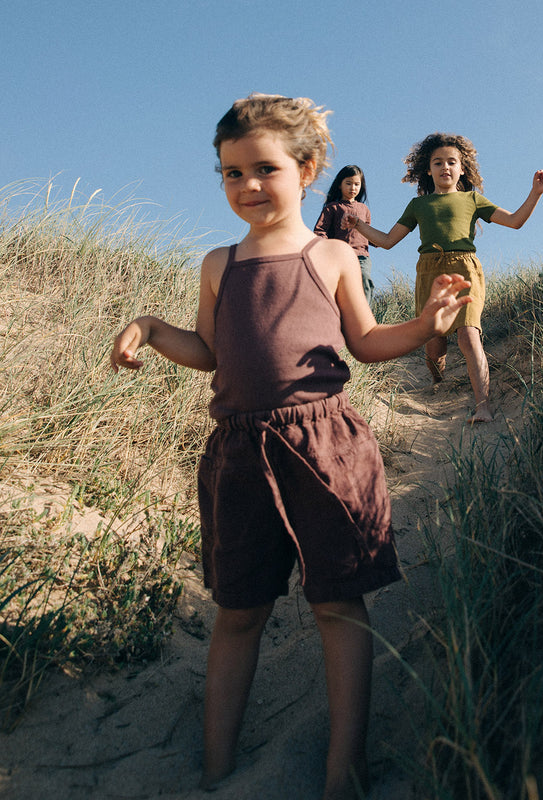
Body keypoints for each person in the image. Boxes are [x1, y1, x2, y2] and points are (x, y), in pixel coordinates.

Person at [110, 94, 472, 800]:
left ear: (306, 170)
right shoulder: (219, 263)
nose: (246, 185)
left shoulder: (331, 254)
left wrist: (427, 323)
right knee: (238, 610)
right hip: (238, 453)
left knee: (338, 603)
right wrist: (153, 328)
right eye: (230, 172)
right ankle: (217, 769)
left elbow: (367, 344)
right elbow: (212, 352)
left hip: (324, 445)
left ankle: (346, 768)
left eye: (263, 169)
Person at [346, 133, 543, 423]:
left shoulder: (472, 199)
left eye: (452, 162)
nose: (445, 167)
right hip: (430, 271)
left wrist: (536, 193)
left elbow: (515, 221)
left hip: (465, 268)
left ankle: (483, 405)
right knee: (434, 342)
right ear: (427, 170)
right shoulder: (418, 206)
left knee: (469, 335)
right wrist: (358, 226)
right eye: (438, 162)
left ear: (462, 168)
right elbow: (388, 240)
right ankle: (438, 381)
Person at [314, 165, 374, 305]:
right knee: (339, 287)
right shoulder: (332, 207)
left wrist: (378, 240)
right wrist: (327, 246)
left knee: (364, 280)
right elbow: (320, 231)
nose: (353, 188)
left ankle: (366, 316)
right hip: (339, 256)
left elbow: (368, 231)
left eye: (356, 184)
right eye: (348, 183)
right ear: (340, 185)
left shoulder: (364, 209)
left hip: (361, 256)